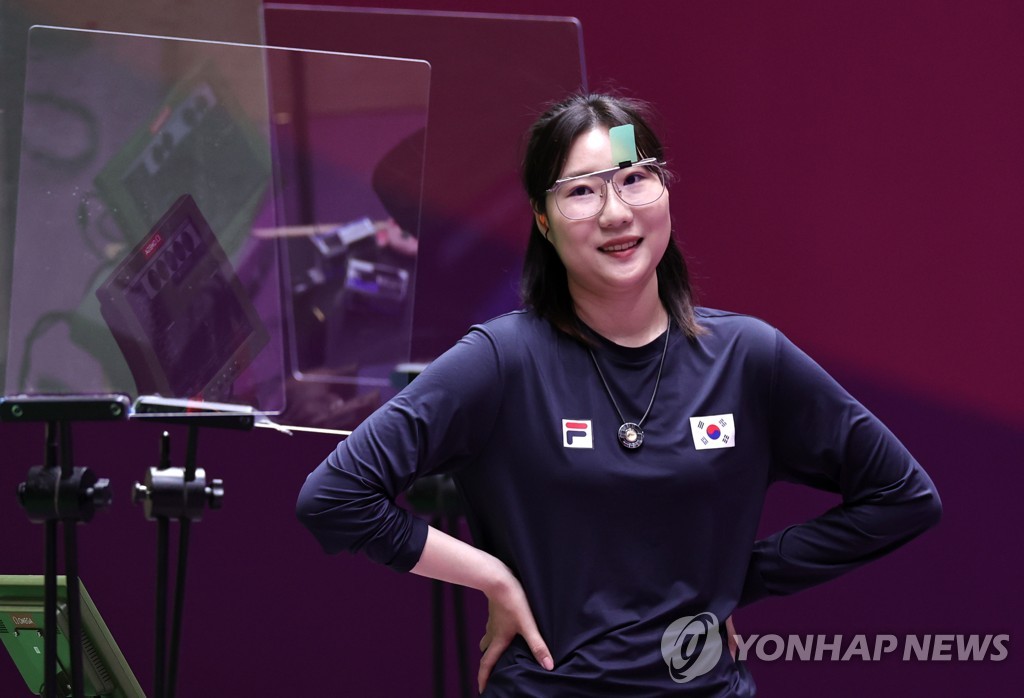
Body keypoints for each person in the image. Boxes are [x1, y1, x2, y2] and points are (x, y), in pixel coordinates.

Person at [296, 92, 942, 696]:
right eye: (581, 191)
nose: (616, 211)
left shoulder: (749, 356)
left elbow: (902, 497)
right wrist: (493, 576)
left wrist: (738, 581)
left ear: (664, 190)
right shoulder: (502, 360)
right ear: (543, 223)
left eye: (635, 178)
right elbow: (334, 498)